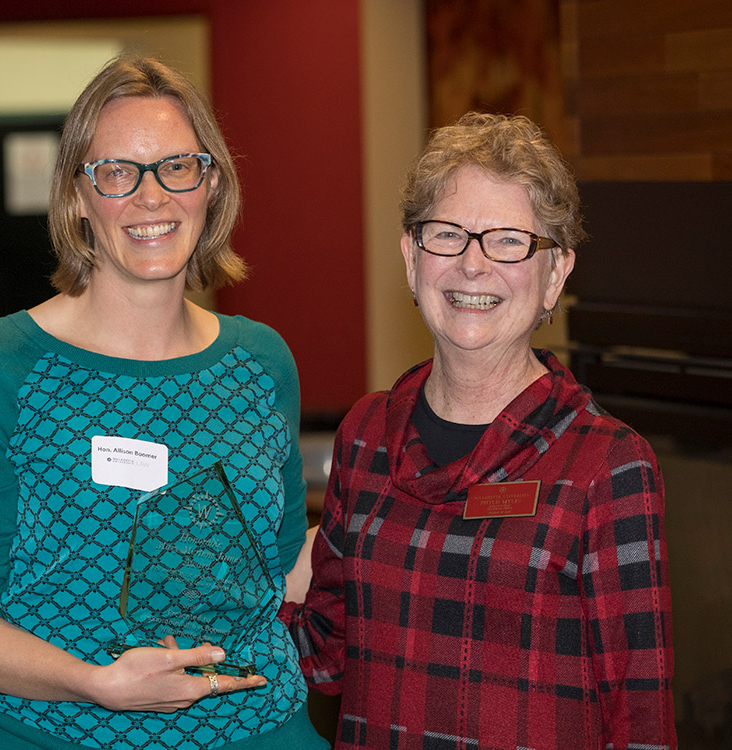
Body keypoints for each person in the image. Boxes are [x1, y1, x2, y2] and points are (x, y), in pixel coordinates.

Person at [0, 55, 326, 749]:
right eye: (117, 172)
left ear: (209, 184)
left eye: (176, 167)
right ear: (77, 196)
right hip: (72, 732)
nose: (151, 197)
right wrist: (95, 682)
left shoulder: (261, 362)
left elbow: (282, 572)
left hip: (266, 728)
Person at [280, 113, 676, 748]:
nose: (472, 264)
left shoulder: (607, 466)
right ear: (411, 258)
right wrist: (205, 586)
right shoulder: (365, 435)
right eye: (447, 235)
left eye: (509, 241)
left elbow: (641, 722)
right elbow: (323, 652)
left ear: (556, 273)